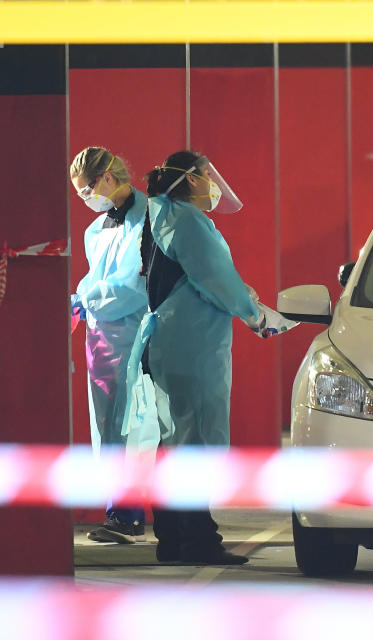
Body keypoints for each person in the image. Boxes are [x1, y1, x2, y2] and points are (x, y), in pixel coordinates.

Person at [131, 150, 263, 565]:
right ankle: (196, 541)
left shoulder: (159, 214)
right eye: (207, 175)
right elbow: (216, 278)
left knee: (176, 440)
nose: (213, 183)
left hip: (172, 342)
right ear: (189, 179)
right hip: (192, 344)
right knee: (195, 441)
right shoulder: (187, 221)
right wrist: (255, 313)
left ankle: (174, 539)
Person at [70, 147, 159, 544]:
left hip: (132, 335)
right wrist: (81, 297)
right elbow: (95, 279)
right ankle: (118, 512)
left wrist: (87, 296)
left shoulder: (150, 220)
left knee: (132, 426)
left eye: (87, 189)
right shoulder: (97, 229)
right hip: (100, 338)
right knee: (107, 427)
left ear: (107, 177)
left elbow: (133, 287)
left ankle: (128, 514)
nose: (86, 199)